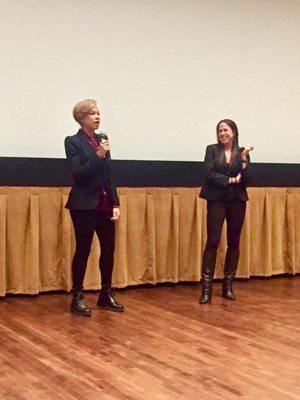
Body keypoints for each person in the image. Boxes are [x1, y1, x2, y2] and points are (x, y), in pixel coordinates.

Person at [65, 99, 124, 316]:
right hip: (83, 204)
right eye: (92, 114)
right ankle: (77, 297)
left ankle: (105, 294)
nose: (97, 117)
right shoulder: (72, 141)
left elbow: (109, 173)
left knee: (109, 249)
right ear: (82, 118)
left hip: (105, 203)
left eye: (99, 113)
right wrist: (97, 155)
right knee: (83, 249)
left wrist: (116, 202)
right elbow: (78, 173)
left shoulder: (103, 139)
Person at [199, 119, 253, 304]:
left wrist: (244, 161)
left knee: (234, 242)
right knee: (213, 241)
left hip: (237, 201)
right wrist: (229, 180)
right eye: (220, 130)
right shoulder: (211, 150)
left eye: (226, 130)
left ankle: (228, 286)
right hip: (216, 200)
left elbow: (248, 180)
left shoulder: (241, 152)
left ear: (234, 132)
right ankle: (206, 289)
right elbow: (208, 173)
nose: (222, 133)